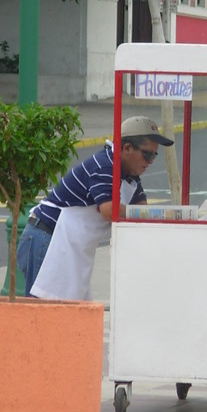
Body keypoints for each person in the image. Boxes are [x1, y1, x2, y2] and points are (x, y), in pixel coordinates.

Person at [17, 115, 174, 300]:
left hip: (69, 247)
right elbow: (109, 210)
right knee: (43, 317)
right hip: (46, 239)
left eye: (154, 155)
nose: (150, 161)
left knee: (69, 315)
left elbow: (142, 212)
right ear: (127, 148)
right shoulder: (105, 165)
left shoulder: (131, 176)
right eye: (147, 154)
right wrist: (154, 214)